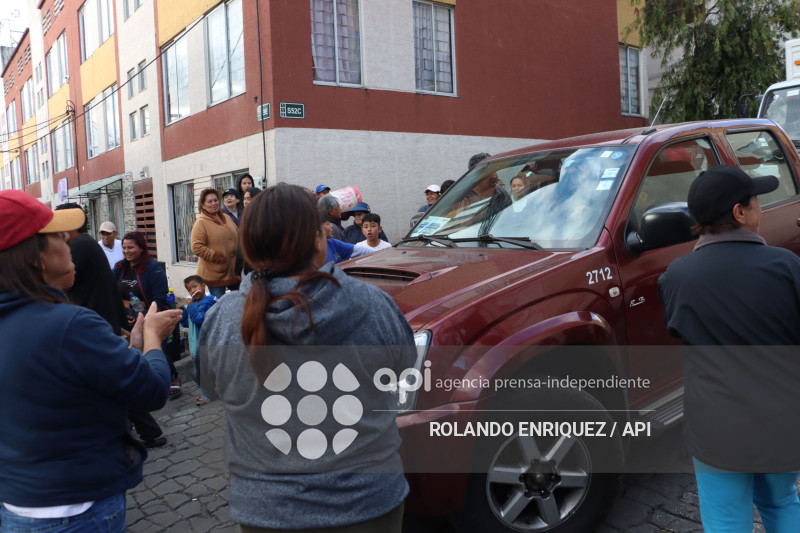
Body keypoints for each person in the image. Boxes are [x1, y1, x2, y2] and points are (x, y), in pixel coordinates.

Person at [195, 183, 416, 532]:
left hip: (267, 512)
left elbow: (211, 387)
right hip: (369, 504)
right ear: (318, 240)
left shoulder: (221, 319)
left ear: (248, 247)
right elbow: (404, 370)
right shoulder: (374, 305)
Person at [0, 190, 182, 532]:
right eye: (58, 236)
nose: (69, 244)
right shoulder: (69, 325)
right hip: (78, 510)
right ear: (32, 257)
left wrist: (132, 348)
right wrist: (153, 340)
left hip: (17, 506)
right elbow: (152, 390)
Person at [658, 164, 800, 533]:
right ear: (739, 212)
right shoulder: (787, 267)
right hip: (782, 422)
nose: (760, 208)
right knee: (782, 502)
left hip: (716, 429)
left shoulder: (676, 276)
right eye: (756, 201)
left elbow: (678, 328)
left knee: (725, 520)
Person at [113, 231, 182, 404]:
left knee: (155, 348)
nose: (126, 251)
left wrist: (144, 314)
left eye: (130, 248)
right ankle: (147, 383)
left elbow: (159, 298)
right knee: (136, 352)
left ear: (141, 248)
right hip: (128, 318)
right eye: (124, 248)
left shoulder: (153, 269)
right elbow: (112, 294)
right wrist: (126, 309)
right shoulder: (120, 268)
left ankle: (173, 378)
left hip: (152, 316)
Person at [54, 204, 127, 336]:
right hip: (103, 324)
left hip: (98, 327)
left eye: (57, 224)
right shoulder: (85, 243)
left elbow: (56, 287)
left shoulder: (78, 246)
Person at [191, 188, 240, 297]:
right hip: (215, 274)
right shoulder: (201, 223)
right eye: (210, 201)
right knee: (219, 303)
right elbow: (196, 247)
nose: (214, 203)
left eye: (215, 200)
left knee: (241, 300)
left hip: (233, 272)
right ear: (203, 205)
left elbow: (238, 236)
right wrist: (216, 256)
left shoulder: (227, 218)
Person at [180, 275, 218, 407]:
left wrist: (190, 306)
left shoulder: (209, 302)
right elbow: (188, 323)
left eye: (195, 286)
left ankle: (208, 394)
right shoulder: (194, 304)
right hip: (196, 344)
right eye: (189, 289)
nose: (192, 291)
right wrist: (182, 313)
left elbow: (199, 319)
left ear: (203, 285)